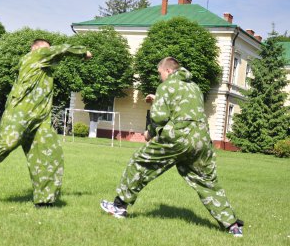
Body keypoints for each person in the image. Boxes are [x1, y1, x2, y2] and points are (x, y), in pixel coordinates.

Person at [100, 57, 244, 237]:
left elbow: (159, 117)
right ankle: (232, 225)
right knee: (206, 181)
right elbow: (183, 108)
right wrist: (158, 99)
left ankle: (119, 207)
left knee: (140, 163)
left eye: (160, 73)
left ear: (167, 71)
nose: (160, 77)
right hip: (201, 139)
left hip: (178, 137)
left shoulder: (166, 86)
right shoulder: (194, 87)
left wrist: (150, 132)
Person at [0, 39, 92, 207]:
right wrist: (83, 52)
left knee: (51, 155)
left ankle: (44, 201)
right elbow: (61, 49)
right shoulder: (33, 57)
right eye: (45, 49)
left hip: (40, 119)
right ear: (35, 49)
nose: (47, 53)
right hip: (20, 114)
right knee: (6, 144)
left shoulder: (46, 69)